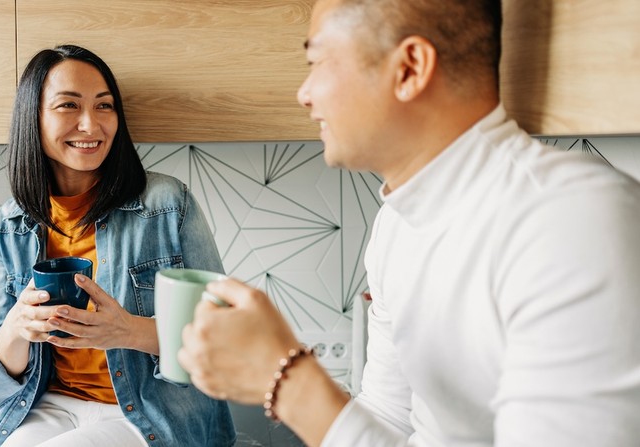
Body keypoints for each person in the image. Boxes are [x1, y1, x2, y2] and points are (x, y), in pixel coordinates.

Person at [178, 0, 640, 446]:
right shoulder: (395, 226)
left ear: (409, 68)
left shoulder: (572, 221)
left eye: (318, 62)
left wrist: (285, 378)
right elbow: (387, 417)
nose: (304, 93)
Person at [0, 44, 235, 447]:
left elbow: (223, 341)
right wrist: (17, 328)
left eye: (104, 106)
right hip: (46, 406)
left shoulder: (166, 204)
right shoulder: (9, 225)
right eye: (68, 106)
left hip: (149, 412)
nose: (91, 125)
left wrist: (128, 331)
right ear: (33, 118)